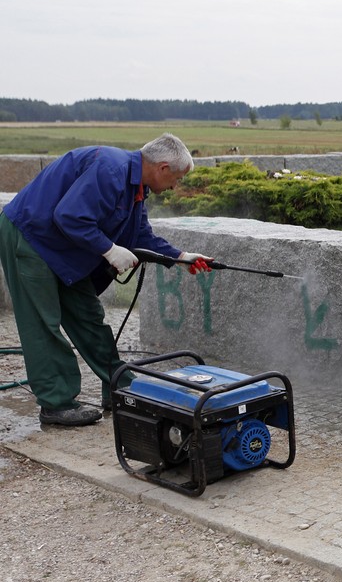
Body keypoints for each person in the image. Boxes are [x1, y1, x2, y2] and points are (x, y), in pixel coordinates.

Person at [0, 133, 212, 427]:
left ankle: (120, 386)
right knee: (43, 323)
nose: (176, 186)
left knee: (88, 316)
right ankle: (56, 404)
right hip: (31, 238)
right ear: (162, 168)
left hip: (63, 247)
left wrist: (180, 256)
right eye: (176, 179)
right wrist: (110, 250)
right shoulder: (110, 170)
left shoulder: (136, 187)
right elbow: (70, 216)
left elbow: (139, 235)